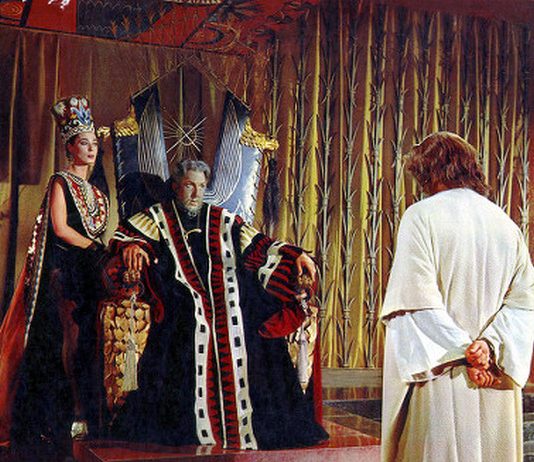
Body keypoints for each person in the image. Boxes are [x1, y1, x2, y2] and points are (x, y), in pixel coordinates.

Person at [107, 159, 328, 450]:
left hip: (232, 293)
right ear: (176, 187)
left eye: (201, 186)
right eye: (189, 186)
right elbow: (127, 237)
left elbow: (259, 245)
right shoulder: (157, 217)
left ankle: (257, 423)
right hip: (183, 294)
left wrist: (295, 255)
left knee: (256, 328)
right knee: (187, 324)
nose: (196, 194)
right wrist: (133, 246)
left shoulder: (222, 219)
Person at [380, 131, 534, 462]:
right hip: (491, 375)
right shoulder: (506, 225)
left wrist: (466, 351)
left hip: (442, 370)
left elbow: (414, 301)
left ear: (428, 171)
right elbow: (524, 304)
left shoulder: (421, 216)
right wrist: (488, 347)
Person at [0, 96, 109, 452]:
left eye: (94, 144)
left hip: (89, 270)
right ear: (70, 147)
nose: (91, 149)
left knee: (92, 338)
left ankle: (93, 410)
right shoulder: (60, 181)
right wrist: (95, 248)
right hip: (67, 270)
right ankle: (73, 411)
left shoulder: (97, 193)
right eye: (84, 143)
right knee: (70, 339)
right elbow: (61, 229)